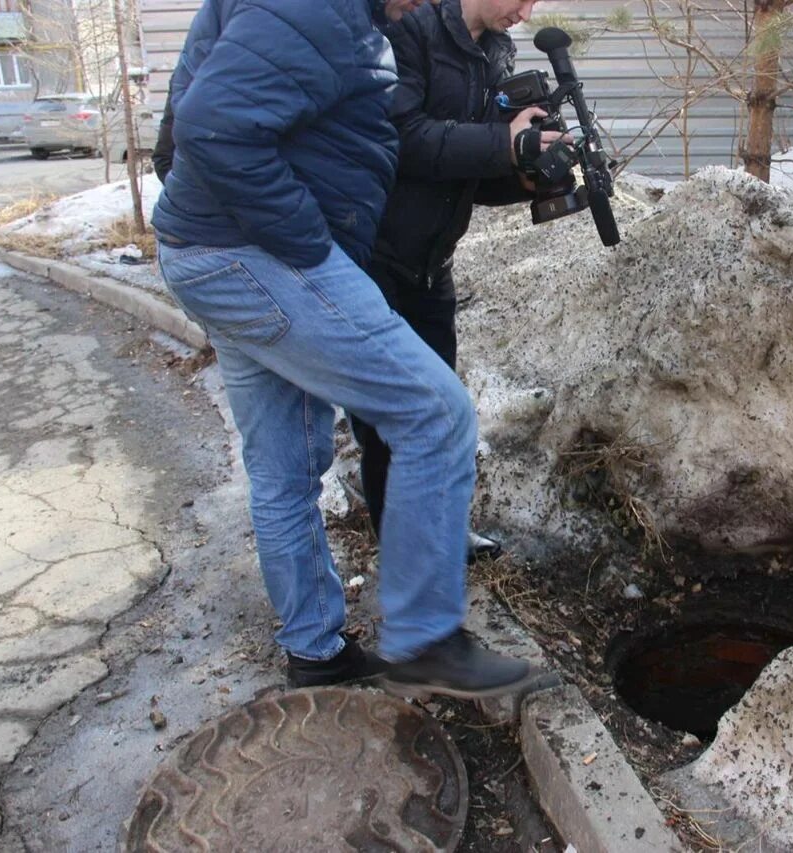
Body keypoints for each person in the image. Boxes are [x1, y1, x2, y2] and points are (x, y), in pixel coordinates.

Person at [151, 0, 536, 697]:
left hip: (212, 251)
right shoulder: (318, 6)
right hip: (255, 253)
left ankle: (315, 651)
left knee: (285, 467)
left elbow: (193, 95)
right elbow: (209, 124)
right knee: (435, 413)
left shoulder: (346, 15)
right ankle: (426, 639)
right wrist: (306, 239)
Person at [353, 0, 560, 552]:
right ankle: (399, 546)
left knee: (440, 408)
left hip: (432, 265)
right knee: (390, 418)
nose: (526, 10)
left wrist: (528, 174)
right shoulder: (409, 34)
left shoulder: (495, 51)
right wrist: (503, 143)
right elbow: (406, 139)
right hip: (378, 258)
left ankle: (437, 531)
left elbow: (471, 172)